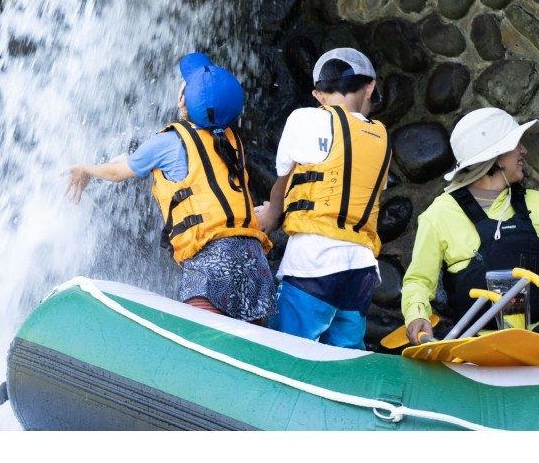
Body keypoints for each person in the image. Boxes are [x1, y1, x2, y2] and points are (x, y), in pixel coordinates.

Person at [66, 52, 276, 324]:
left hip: (211, 265)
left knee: (203, 338)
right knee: (248, 342)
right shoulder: (232, 142)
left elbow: (118, 172)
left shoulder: (169, 141)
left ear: (182, 100)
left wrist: (85, 169)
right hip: (254, 263)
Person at [255, 48, 390, 349]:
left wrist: (272, 213)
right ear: (370, 86)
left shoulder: (305, 119)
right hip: (361, 268)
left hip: (314, 260)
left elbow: (282, 182)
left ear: (318, 94)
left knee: (286, 349)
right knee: (344, 356)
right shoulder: (383, 138)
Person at [401, 107, 539, 345]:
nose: (524, 151)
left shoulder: (536, 202)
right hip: (474, 349)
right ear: (496, 155)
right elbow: (419, 281)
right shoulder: (439, 215)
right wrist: (417, 315)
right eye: (516, 144)